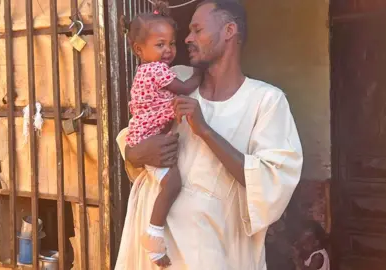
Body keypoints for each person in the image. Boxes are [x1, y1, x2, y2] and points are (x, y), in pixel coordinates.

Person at [115, 0, 303, 269]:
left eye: (197, 30)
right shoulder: (174, 80)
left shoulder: (266, 101)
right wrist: (136, 153)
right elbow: (134, 140)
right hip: (149, 254)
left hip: (210, 254)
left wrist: (204, 130)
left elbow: (271, 180)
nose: (187, 39)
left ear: (229, 31)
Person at [120, 1, 202, 267]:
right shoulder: (156, 70)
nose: (168, 50)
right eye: (160, 44)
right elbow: (186, 87)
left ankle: (154, 235)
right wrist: (201, 72)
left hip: (142, 136)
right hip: (147, 140)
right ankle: (154, 233)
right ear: (139, 49)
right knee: (172, 183)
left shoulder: (146, 71)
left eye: (172, 43)